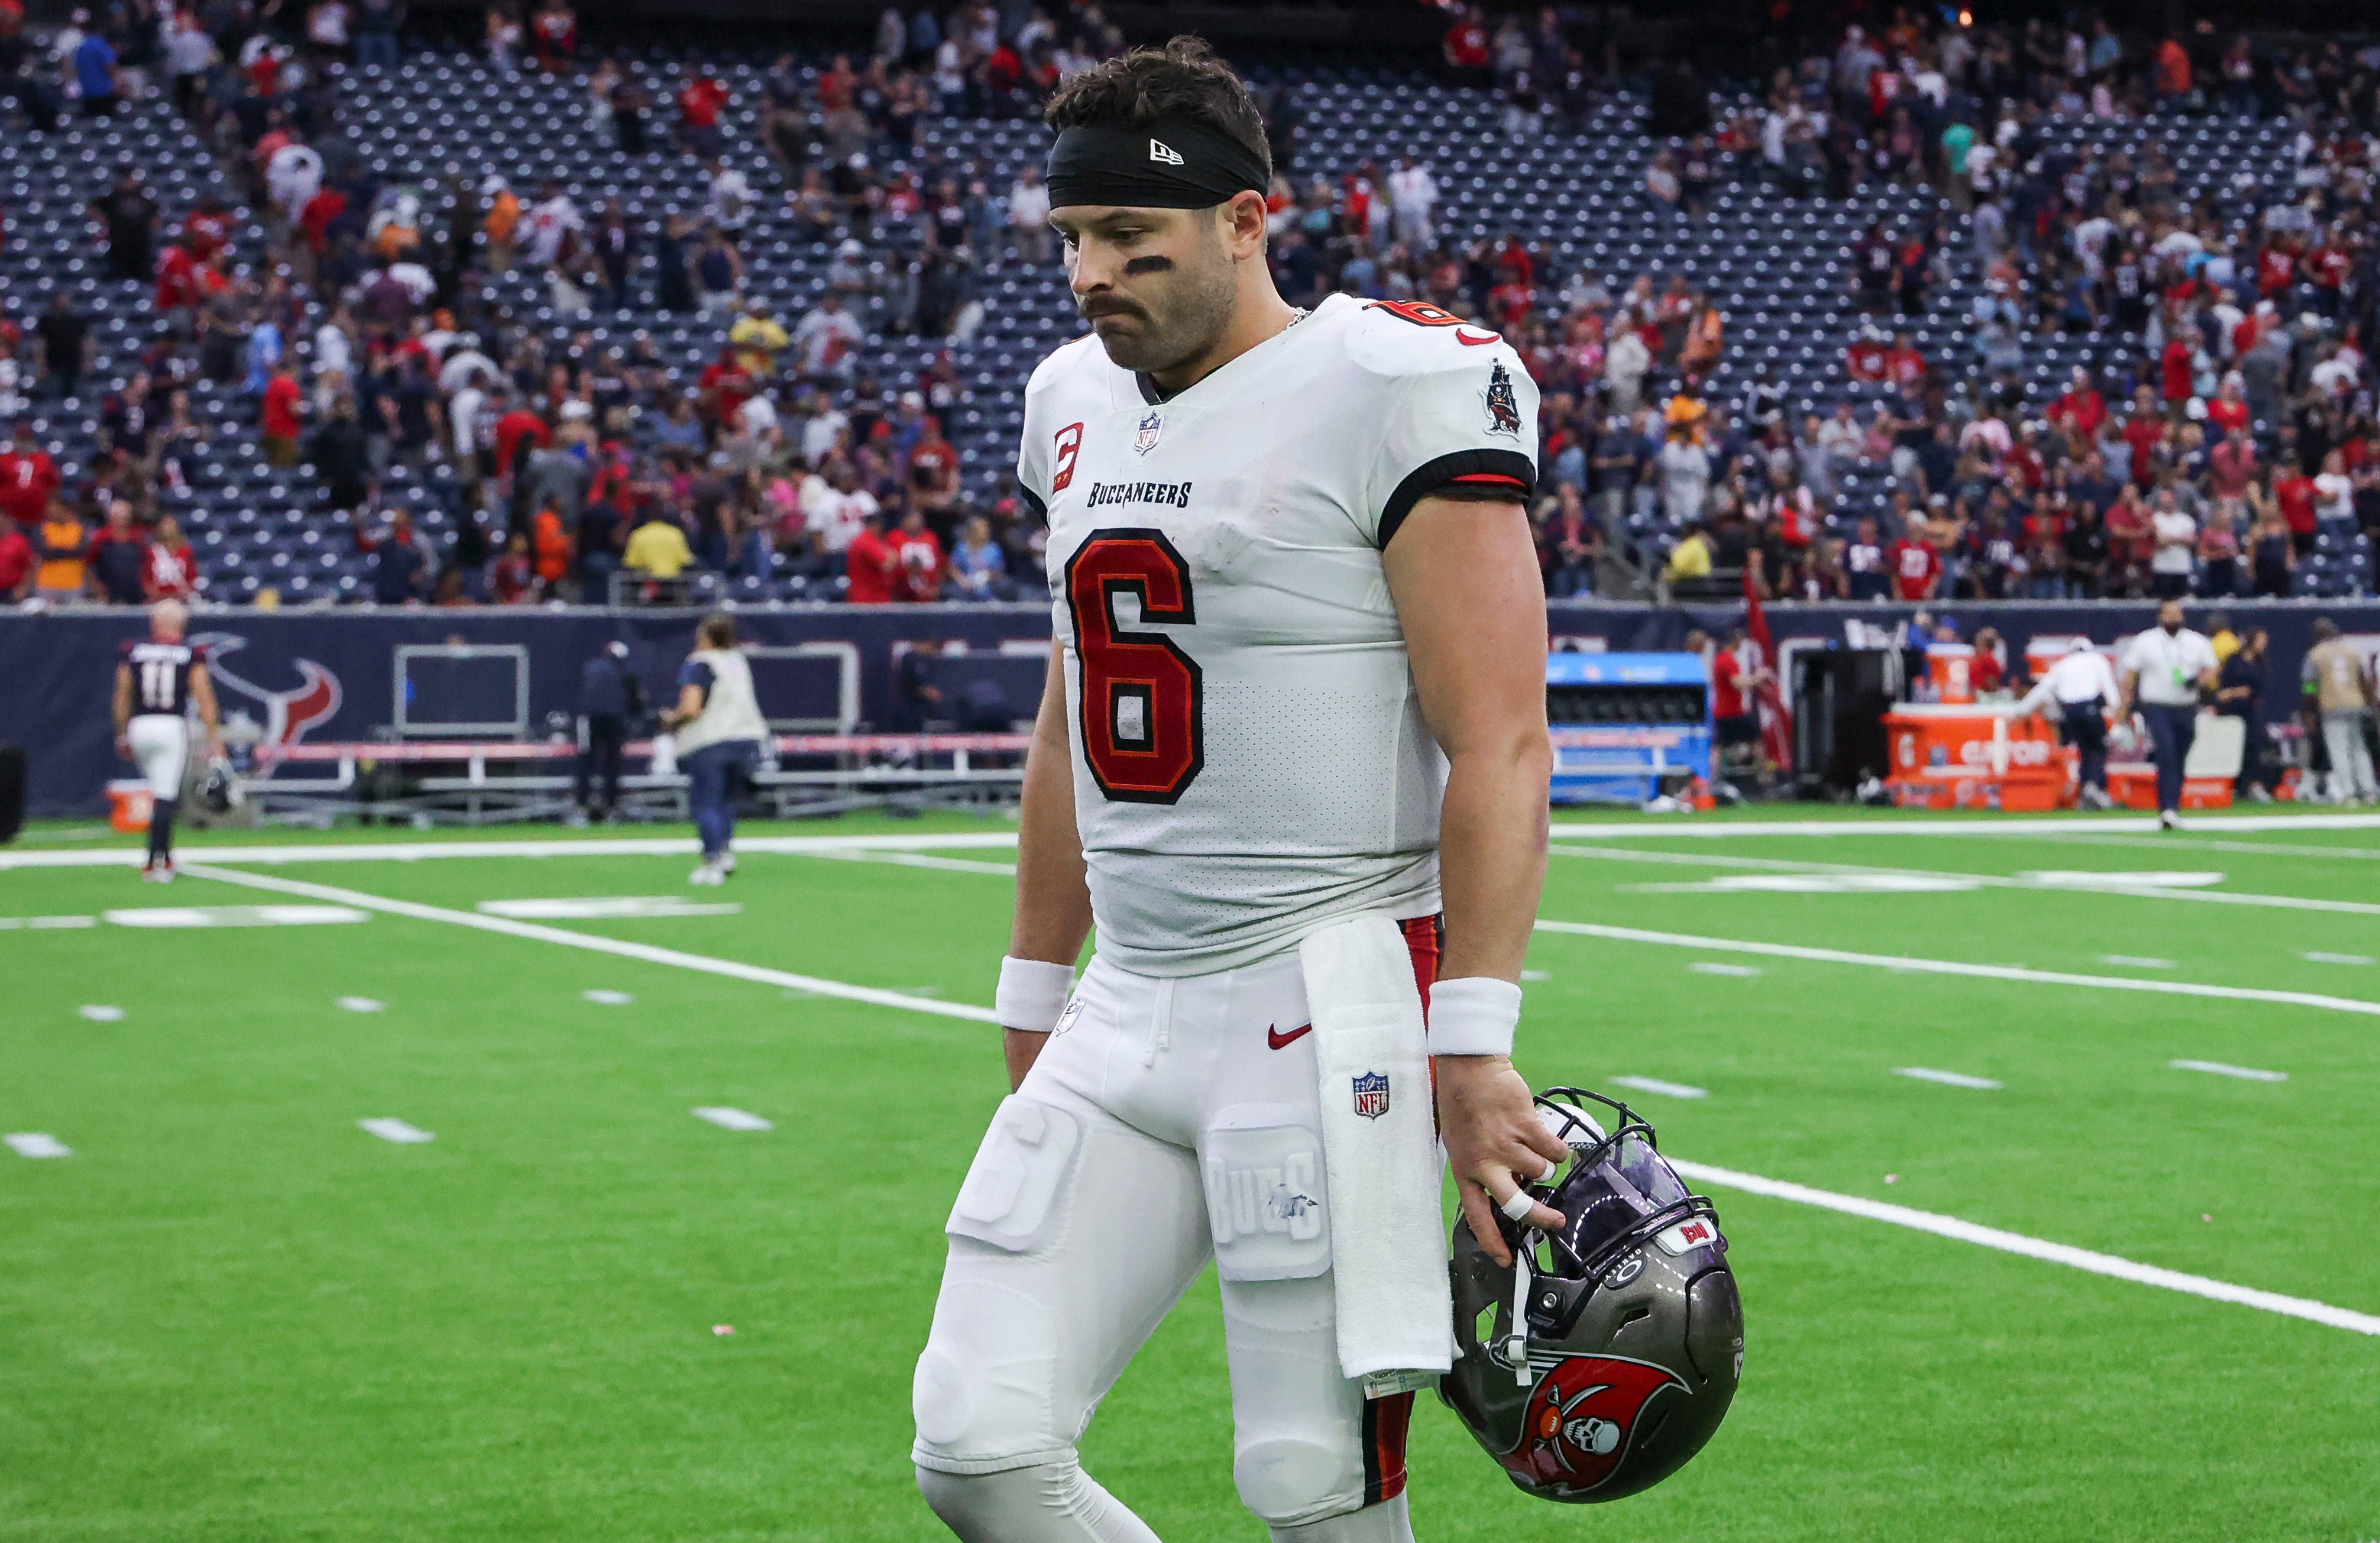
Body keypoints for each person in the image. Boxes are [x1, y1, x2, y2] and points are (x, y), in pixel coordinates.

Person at [914, 41, 1566, 1543]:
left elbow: (1504, 739)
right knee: (979, 1445)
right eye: (1074, 238)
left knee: (1316, 1489)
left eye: (1133, 241)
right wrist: (1031, 972)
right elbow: (1078, 704)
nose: (1093, 274)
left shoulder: (1394, 381)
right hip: (1127, 1002)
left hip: (1324, 995)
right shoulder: (1069, 396)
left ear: (1248, 221)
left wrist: (1474, 1037)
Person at [112, 598, 224, 882]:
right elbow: (205, 698)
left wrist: (122, 733)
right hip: (169, 725)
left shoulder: (134, 650)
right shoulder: (190, 653)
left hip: (140, 724)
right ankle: (155, 861)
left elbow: (123, 694)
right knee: (165, 794)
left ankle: (165, 853)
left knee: (158, 788)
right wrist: (215, 740)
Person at [663, 612, 766, 885]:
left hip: (711, 740)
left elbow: (692, 708)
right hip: (746, 738)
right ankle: (725, 851)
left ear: (705, 636)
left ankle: (712, 861)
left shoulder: (700, 664)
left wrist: (670, 721)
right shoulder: (737, 661)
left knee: (707, 802)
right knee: (727, 802)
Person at [2117, 599, 2220, 829]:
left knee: (2180, 754)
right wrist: (2124, 709)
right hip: (2157, 706)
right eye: (2169, 613)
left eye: (2177, 613)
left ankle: (2172, 802)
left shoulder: (2196, 641)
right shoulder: (2146, 641)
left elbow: (2212, 667)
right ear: (2160, 617)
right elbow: (2130, 674)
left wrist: (2198, 682)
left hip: (2186, 706)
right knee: (2167, 753)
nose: (2174, 618)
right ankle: (2168, 808)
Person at [2018, 636, 2121, 808]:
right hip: (2089, 707)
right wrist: (2117, 709)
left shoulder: (2062, 664)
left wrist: (2021, 710)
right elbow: (2108, 686)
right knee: (2101, 747)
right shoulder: (2097, 660)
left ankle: (2085, 790)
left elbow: (2042, 689)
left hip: (2069, 712)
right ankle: (2094, 784)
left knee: (2085, 751)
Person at [2301, 618, 2377, 806]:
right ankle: (2369, 791)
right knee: (2359, 749)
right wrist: (2371, 704)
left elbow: (2309, 686)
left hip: (2332, 706)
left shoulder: (2316, 654)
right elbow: (2364, 679)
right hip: (2356, 704)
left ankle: (2349, 793)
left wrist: (2309, 709)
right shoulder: (2352, 650)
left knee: (2339, 751)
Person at [575, 639, 645, 821]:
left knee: (586, 762)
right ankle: (611, 806)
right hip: (614, 719)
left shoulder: (590, 668)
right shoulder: (626, 672)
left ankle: (582, 805)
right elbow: (636, 700)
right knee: (612, 764)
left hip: (591, 717)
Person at [2216, 628, 2272, 803]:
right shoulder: (2234, 660)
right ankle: (2233, 786)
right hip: (2232, 710)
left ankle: (2253, 785)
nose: (2263, 645)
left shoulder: (2261, 663)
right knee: (2232, 747)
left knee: (2253, 746)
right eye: (2261, 640)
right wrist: (2234, 693)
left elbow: (2260, 689)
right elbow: (2223, 687)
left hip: (2250, 712)